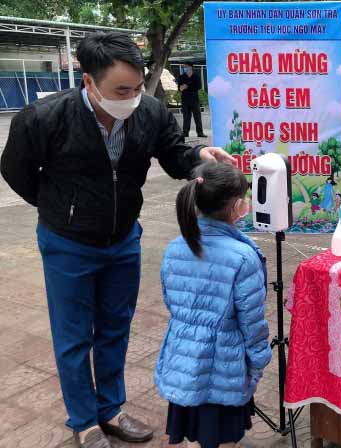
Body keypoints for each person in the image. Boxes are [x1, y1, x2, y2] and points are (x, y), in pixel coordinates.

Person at [0, 32, 233, 448]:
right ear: (88, 81)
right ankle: (84, 420)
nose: (132, 97)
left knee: (114, 329)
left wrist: (199, 156)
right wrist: (59, 209)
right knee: (74, 336)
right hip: (67, 245)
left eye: (138, 86)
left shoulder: (150, 113)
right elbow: (16, 171)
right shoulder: (42, 118)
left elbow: (173, 153)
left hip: (123, 239)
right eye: (121, 90)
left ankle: (110, 410)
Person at [155, 162, 271, 448]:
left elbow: (172, 302)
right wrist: (258, 362)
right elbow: (252, 323)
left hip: (185, 362)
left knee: (197, 433)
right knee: (225, 437)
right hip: (225, 368)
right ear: (236, 207)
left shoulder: (174, 248)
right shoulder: (243, 257)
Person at [178, 62, 207, 138]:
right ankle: (185, 133)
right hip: (185, 100)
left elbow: (198, 86)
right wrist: (184, 87)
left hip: (194, 100)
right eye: (184, 67)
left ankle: (200, 133)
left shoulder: (196, 77)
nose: (185, 68)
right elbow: (180, 88)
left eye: (186, 67)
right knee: (186, 117)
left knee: (197, 117)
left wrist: (186, 86)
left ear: (191, 67)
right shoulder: (181, 77)